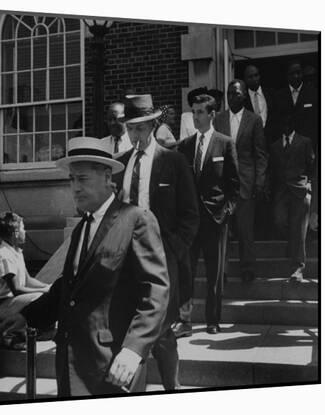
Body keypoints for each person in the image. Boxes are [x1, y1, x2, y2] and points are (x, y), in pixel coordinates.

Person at [0, 137, 170, 397]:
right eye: (71, 179)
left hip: (113, 365)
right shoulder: (82, 228)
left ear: (106, 177)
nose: (75, 187)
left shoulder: (136, 220)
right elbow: (68, 288)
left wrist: (134, 349)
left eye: (83, 179)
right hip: (71, 364)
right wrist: (27, 315)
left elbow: (155, 292)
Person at [114, 94, 199, 390]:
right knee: (129, 328)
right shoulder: (119, 165)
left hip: (162, 261)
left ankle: (171, 389)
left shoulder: (173, 161)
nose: (135, 135)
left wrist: (173, 250)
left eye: (140, 128)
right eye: (130, 128)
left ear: (152, 125)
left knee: (161, 330)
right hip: (125, 261)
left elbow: (191, 215)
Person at [178, 94, 240, 334]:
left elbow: (234, 184)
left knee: (214, 274)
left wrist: (226, 211)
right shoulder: (185, 146)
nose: (195, 116)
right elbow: (181, 185)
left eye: (200, 112)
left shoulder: (225, 143)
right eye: (193, 112)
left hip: (215, 219)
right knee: (187, 272)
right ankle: (185, 321)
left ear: (212, 115)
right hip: (190, 222)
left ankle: (212, 320)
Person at [214, 79, 267, 283]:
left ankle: (247, 268)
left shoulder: (254, 120)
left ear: (244, 95)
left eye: (235, 93)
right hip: (223, 182)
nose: (230, 97)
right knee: (223, 229)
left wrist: (259, 181)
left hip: (246, 182)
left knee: (245, 229)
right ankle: (222, 271)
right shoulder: (218, 119)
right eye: (228, 93)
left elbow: (261, 154)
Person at [0, 211, 50, 346]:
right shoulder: (4, 256)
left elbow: (28, 280)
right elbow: (17, 290)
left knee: (46, 296)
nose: (25, 232)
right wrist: (45, 292)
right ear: (15, 233)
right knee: (37, 298)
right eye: (23, 228)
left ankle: (39, 331)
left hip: (12, 303)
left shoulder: (16, 253)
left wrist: (48, 286)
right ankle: (11, 335)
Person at [269, 116, 315, 282]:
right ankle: (293, 240)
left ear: (294, 123)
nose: (285, 124)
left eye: (288, 121)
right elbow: (273, 171)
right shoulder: (274, 146)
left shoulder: (304, 142)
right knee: (279, 220)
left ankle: (298, 267)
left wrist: (308, 184)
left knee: (299, 228)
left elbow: (312, 165)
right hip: (282, 192)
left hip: (300, 191)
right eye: (282, 122)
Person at [274, 60, 319, 153]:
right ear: (287, 75)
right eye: (292, 73)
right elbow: (277, 122)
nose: (296, 76)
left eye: (298, 73)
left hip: (308, 145)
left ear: (302, 73)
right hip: (287, 147)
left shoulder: (314, 93)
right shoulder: (279, 95)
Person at [243, 64, 276, 146]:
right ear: (245, 79)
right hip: (252, 144)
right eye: (250, 77)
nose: (254, 79)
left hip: (271, 141)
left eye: (256, 75)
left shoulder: (271, 94)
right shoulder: (243, 99)